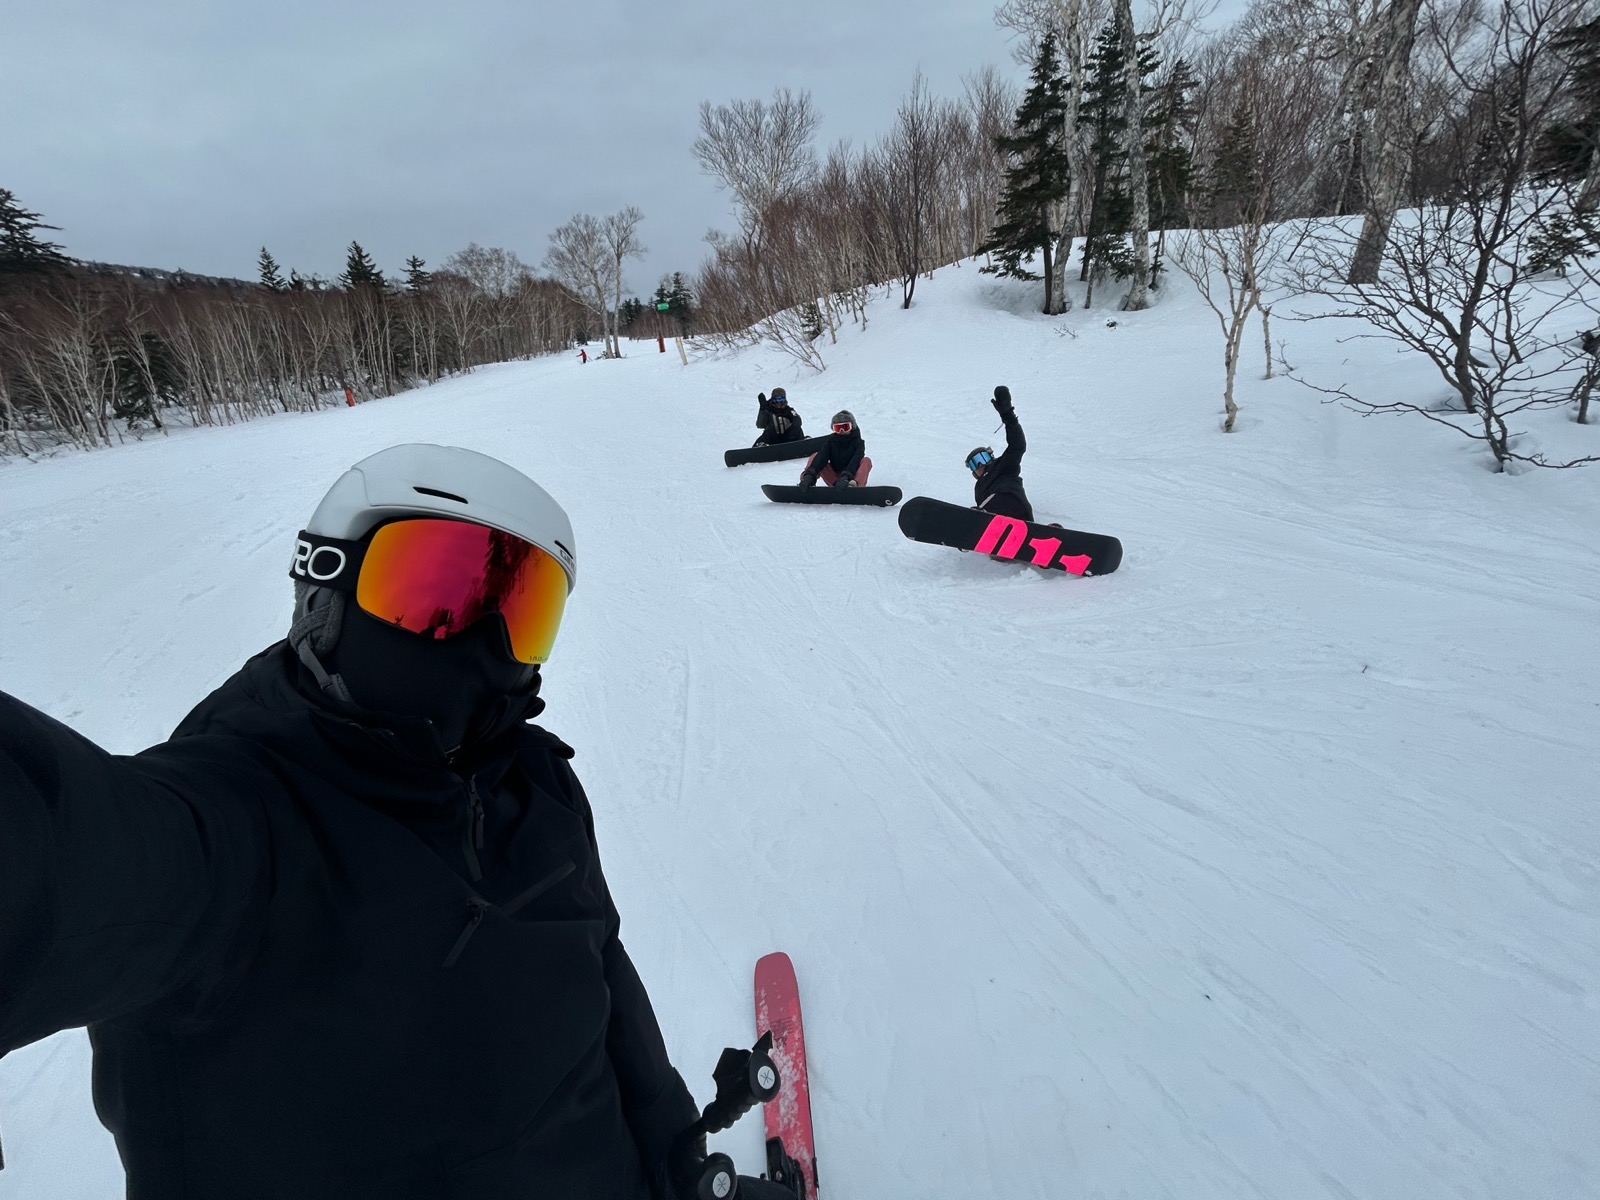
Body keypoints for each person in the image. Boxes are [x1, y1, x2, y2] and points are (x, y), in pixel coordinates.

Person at [0, 444, 787, 1200]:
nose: (482, 642)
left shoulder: (537, 785)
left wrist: (674, 1160)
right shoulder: (230, 829)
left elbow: (606, 990)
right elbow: (57, 854)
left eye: (520, 608)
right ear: (324, 589)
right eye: (432, 595)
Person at [966, 385, 1034, 522]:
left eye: (982, 458)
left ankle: (979, 520)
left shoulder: (1002, 465)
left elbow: (1017, 445)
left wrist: (1008, 416)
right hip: (998, 519)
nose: (980, 464)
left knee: (989, 506)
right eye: (975, 463)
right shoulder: (979, 488)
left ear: (991, 457)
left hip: (1010, 502)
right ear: (973, 472)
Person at [798, 409, 872, 489]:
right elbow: (822, 456)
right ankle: (808, 480)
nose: (842, 431)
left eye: (845, 427)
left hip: (851, 477)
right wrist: (810, 474)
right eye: (838, 428)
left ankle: (854, 486)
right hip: (835, 480)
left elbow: (856, 460)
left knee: (866, 461)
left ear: (852, 427)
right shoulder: (831, 441)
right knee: (815, 456)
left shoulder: (858, 442)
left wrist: (846, 477)